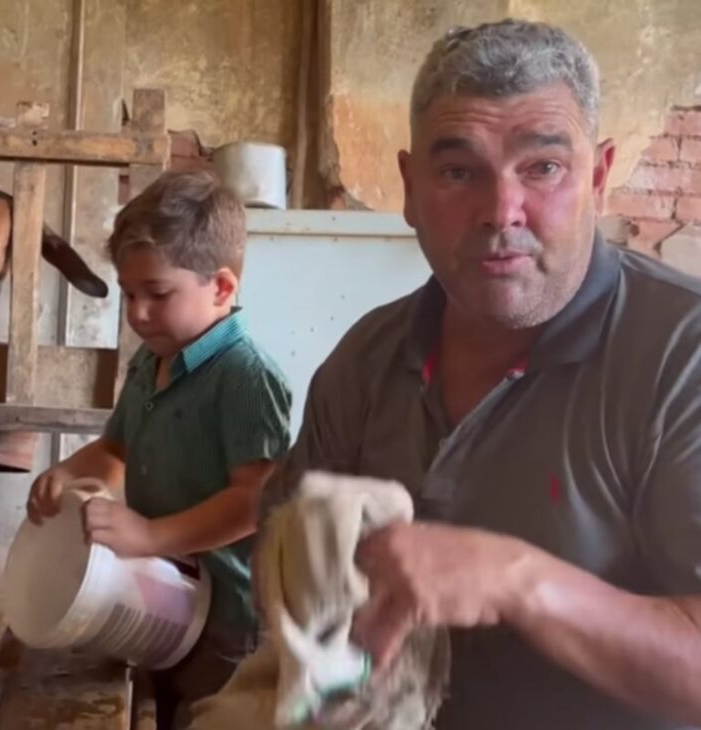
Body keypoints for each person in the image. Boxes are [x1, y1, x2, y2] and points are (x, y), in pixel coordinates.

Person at [258, 18, 701, 730]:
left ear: (596, 174)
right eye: (459, 171)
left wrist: (520, 582)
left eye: (543, 168)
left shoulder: (682, 356)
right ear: (409, 187)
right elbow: (279, 557)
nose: (501, 211)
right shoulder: (366, 360)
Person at [27, 169, 292, 729]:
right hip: (161, 596)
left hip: (229, 619)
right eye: (129, 294)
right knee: (160, 708)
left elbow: (254, 500)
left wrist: (150, 535)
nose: (138, 313)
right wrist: (66, 474)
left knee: (213, 717)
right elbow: (116, 449)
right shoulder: (150, 361)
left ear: (221, 288)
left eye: (158, 294)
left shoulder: (245, 377)